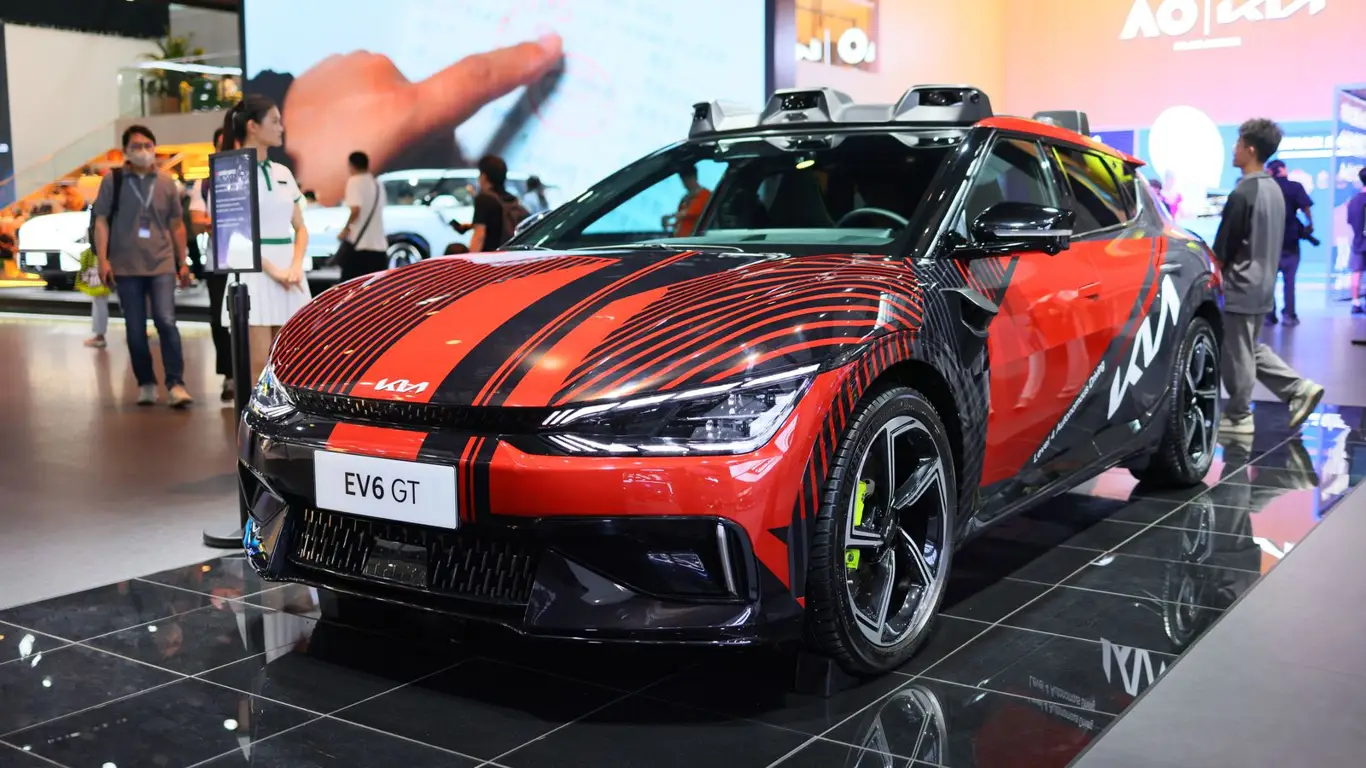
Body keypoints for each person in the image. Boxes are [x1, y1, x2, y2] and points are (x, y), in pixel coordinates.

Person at [1212, 118, 1323, 436]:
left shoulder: (1243, 192)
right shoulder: (1274, 189)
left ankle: (1239, 416)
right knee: (1249, 347)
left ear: (1249, 149)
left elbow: (1224, 247)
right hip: (1263, 285)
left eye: (1237, 144)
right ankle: (1298, 389)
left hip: (1240, 284)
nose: (1233, 150)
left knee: (1237, 353)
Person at [92, 125, 194, 408]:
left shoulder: (166, 182)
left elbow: (177, 224)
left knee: (166, 321)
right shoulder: (113, 181)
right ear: (125, 151)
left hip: (162, 263)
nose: (143, 151)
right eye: (136, 146)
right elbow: (101, 221)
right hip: (126, 267)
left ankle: (176, 384)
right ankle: (146, 382)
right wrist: (103, 260)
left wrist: (182, 261)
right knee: (135, 329)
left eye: (148, 145)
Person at [220, 95, 311, 383]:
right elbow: (233, 235)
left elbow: (301, 227)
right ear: (253, 126)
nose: (281, 127)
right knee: (259, 367)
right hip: (254, 274)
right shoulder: (231, 173)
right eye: (274, 121)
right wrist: (275, 271)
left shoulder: (283, 172)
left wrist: (295, 265)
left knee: (291, 365)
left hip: (290, 277)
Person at [197, 127, 234, 402]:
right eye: (223, 145)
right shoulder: (206, 184)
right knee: (220, 321)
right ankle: (229, 375)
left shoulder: (253, 178)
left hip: (255, 264)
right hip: (218, 263)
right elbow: (197, 219)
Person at [1264, 159, 1312, 326]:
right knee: (1289, 281)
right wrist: (1310, 224)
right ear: (1283, 169)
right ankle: (1289, 315)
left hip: (1269, 240)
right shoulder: (1295, 187)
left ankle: (1269, 315)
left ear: (1270, 171)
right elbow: (1306, 207)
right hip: (1290, 240)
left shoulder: (1266, 188)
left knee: (1269, 281)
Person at [452, 154, 528, 252]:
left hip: (490, 255)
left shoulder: (484, 199)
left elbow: (479, 236)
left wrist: (471, 258)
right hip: (509, 253)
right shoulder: (511, 198)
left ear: (484, 176)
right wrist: (471, 226)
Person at [338, 151, 388, 280]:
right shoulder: (378, 184)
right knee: (375, 287)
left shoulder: (354, 181)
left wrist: (345, 229)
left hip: (360, 247)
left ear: (351, 165)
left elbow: (355, 209)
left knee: (353, 286)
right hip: (379, 247)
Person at [662, 165, 711, 236]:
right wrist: (668, 224)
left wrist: (672, 216)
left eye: (688, 179)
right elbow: (680, 223)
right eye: (683, 180)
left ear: (695, 177)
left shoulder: (705, 195)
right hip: (681, 239)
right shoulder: (685, 198)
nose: (686, 183)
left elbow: (690, 213)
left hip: (694, 239)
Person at [1348, 167, 1366, 315]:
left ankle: (1355, 302)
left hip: (1358, 241)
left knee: (1356, 272)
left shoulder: (1354, 200)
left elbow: (1350, 221)